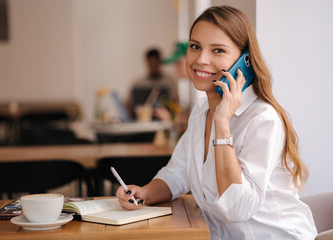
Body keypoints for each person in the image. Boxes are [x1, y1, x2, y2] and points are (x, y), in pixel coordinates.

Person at [116, 6, 317, 240]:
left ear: (245, 61)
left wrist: (222, 123)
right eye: (195, 47)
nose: (201, 59)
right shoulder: (201, 110)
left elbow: (237, 208)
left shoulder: (262, 119)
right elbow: (177, 173)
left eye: (218, 50)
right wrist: (145, 193)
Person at [127, 48, 178, 119]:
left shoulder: (169, 82)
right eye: (151, 64)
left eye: (155, 63)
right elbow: (129, 104)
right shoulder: (138, 83)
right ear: (147, 62)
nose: (153, 66)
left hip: (164, 121)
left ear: (159, 62)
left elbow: (176, 102)